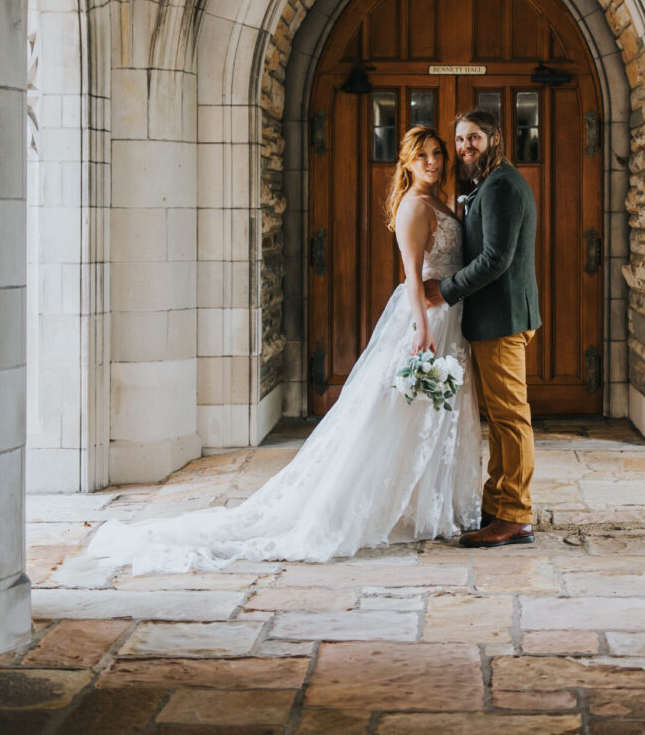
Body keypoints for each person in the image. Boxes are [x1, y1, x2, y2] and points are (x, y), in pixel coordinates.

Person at [85, 126, 481, 572]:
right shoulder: (413, 205)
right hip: (426, 318)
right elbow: (411, 274)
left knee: (433, 414)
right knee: (393, 414)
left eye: (437, 154)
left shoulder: (440, 200)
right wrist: (422, 328)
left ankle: (432, 506)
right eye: (422, 155)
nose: (432, 161)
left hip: (451, 316)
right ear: (406, 162)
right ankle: (351, 505)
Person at [425, 109, 541, 549]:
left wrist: (445, 291)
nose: (464, 147)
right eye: (459, 140)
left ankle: (515, 516)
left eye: (474, 138)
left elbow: (496, 259)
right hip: (494, 317)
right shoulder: (486, 185)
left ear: (494, 138)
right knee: (501, 417)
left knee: (511, 417)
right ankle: (499, 504)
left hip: (502, 318)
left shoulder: (503, 185)